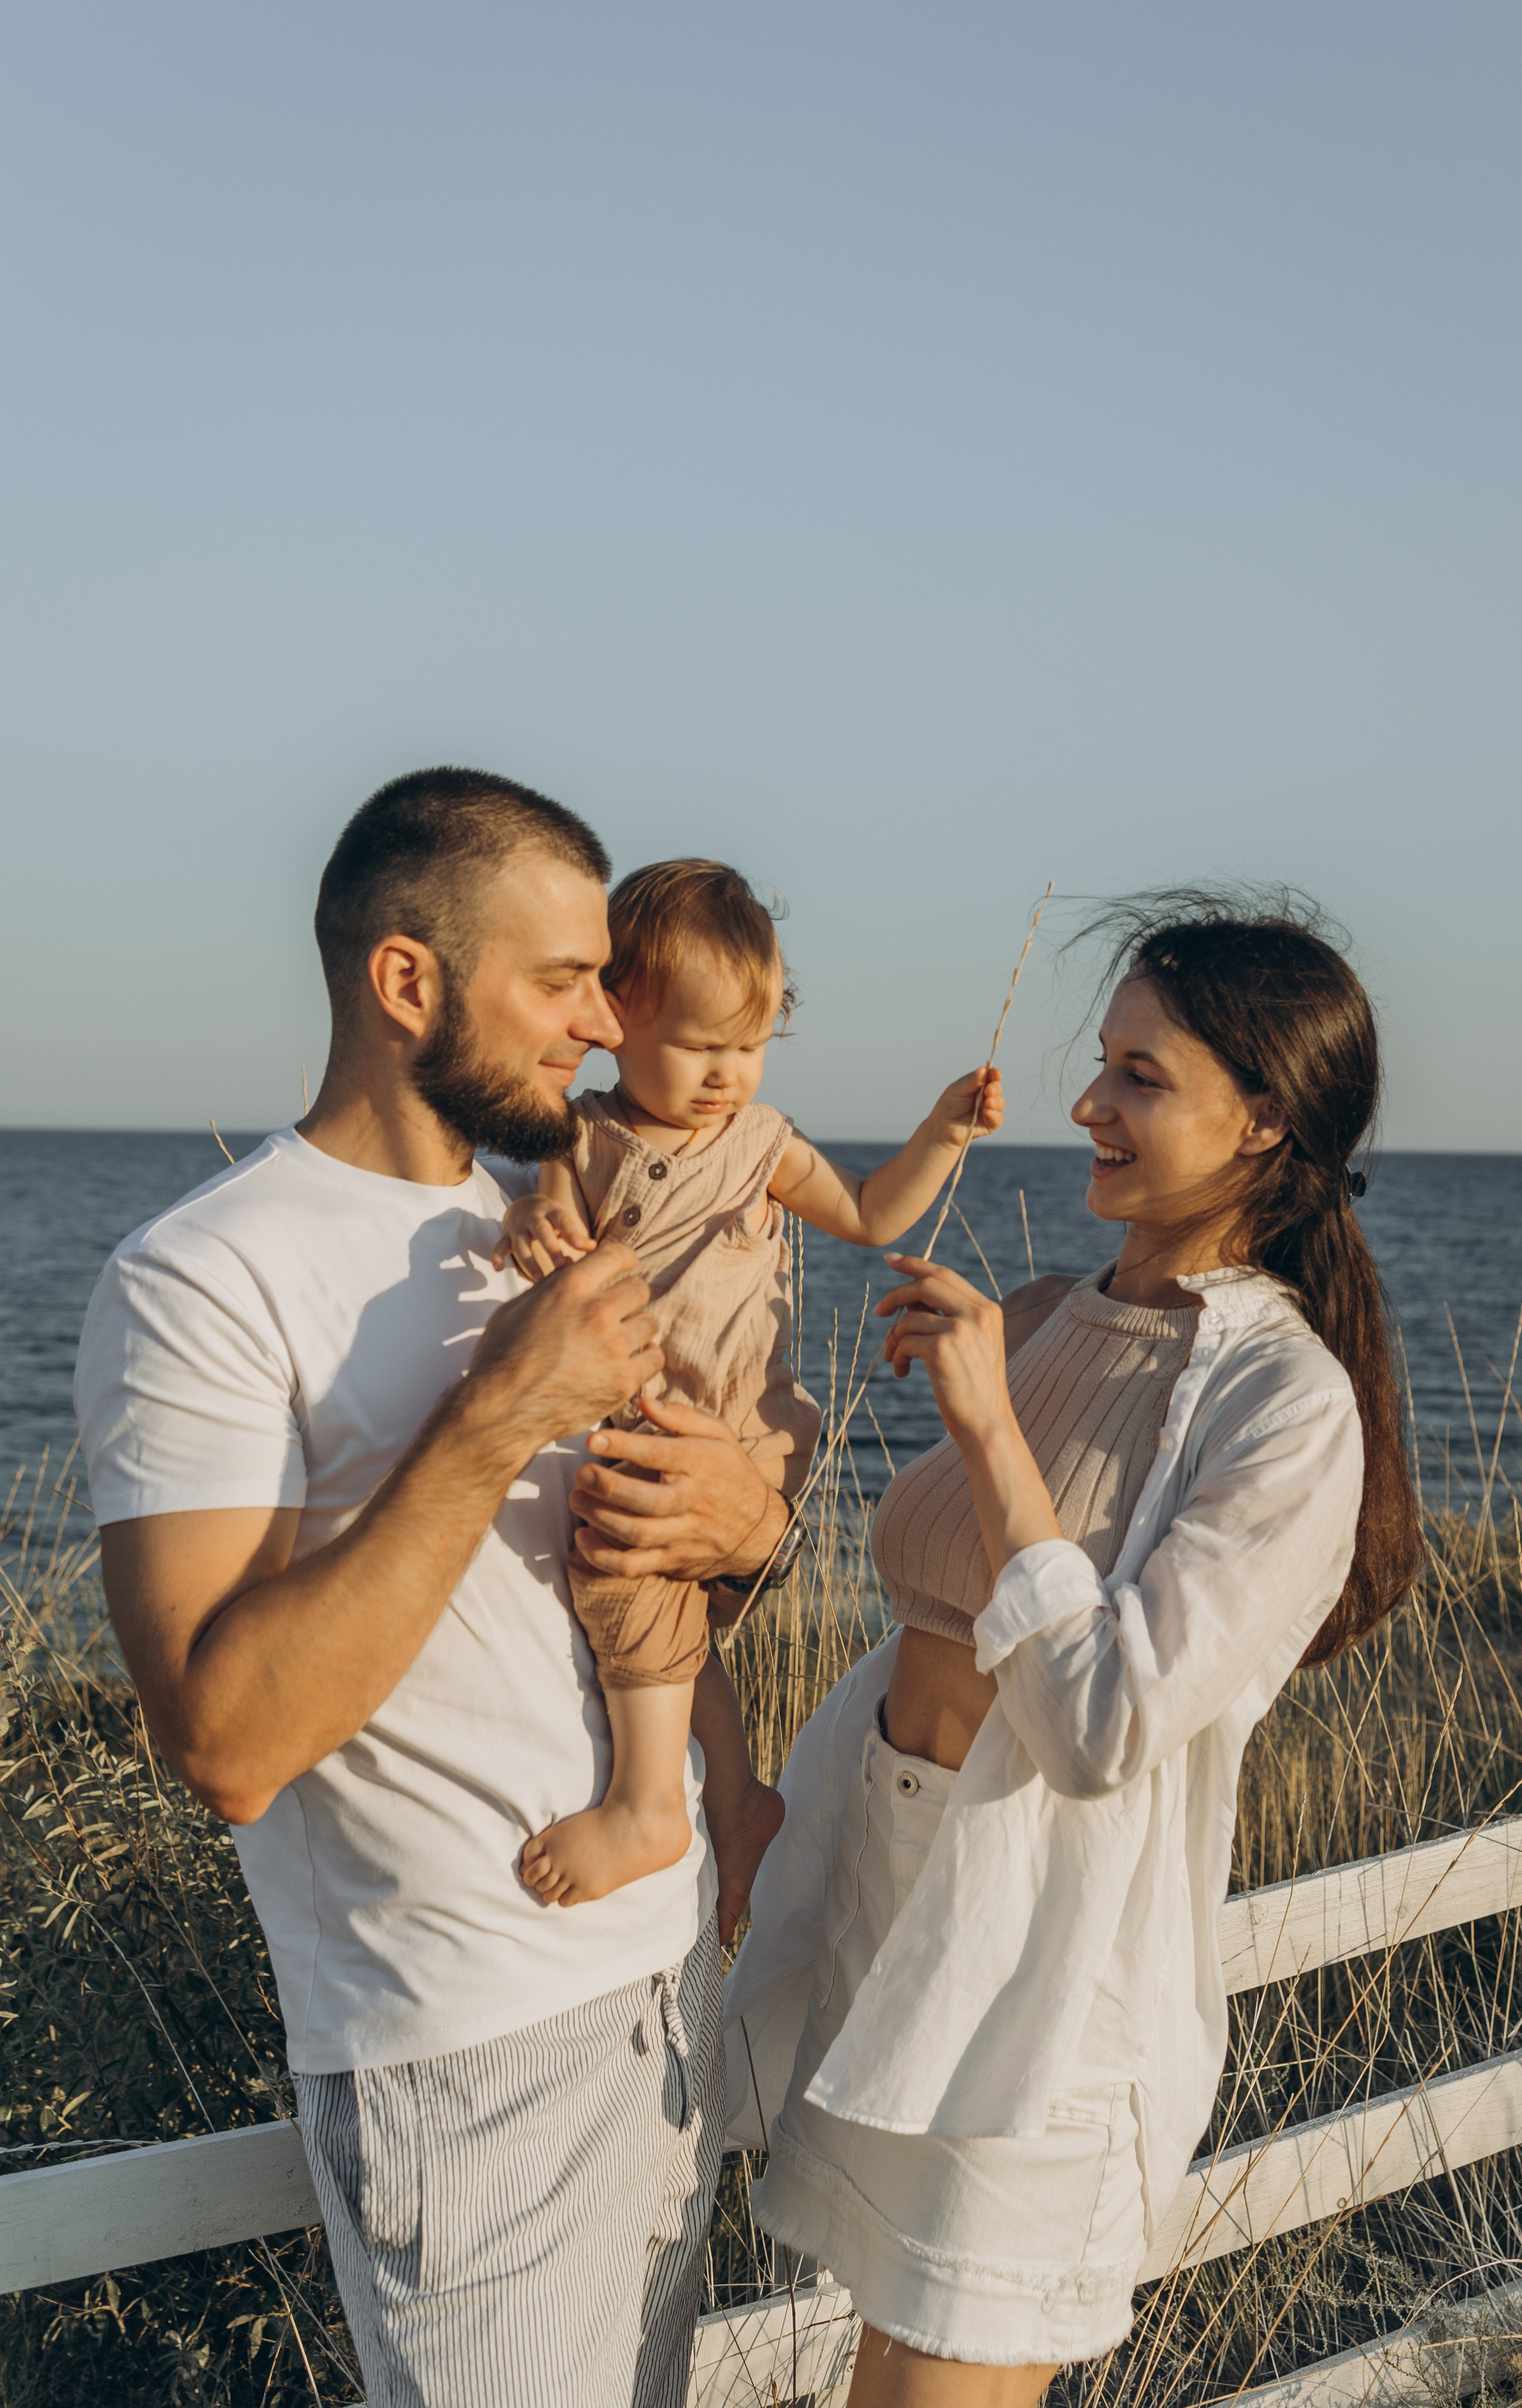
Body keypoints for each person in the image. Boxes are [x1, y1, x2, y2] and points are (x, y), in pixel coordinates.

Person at [73, 768, 801, 2408]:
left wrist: (746, 1528)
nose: (608, 1029)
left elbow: (648, 1585)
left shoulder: (554, 1231)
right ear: (408, 981)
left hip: (661, 1990)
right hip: (463, 2052)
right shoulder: (207, 1276)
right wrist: (496, 1415)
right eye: (563, 982)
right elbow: (227, 1741)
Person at [723, 895, 1421, 2407]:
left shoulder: (1285, 1405)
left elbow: (1105, 1721)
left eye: (1140, 1078)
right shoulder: (1041, 1312)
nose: (1086, 1104)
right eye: (1100, 1063)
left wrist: (982, 1426)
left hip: (1039, 1994)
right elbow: (920, 1602)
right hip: (889, 1918)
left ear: (1261, 1125)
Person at [492, 857, 1006, 1936]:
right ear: (616, 1014)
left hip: (746, 1432)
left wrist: (942, 1135)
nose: (728, 1074)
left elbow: (870, 1215)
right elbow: (540, 1185)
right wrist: (536, 1207)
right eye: (698, 1046)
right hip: (649, 1419)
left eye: (750, 1046)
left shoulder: (760, 1145)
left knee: (622, 1573)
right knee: (670, 1618)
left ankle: (647, 1808)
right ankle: (736, 1798)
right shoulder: (582, 1138)